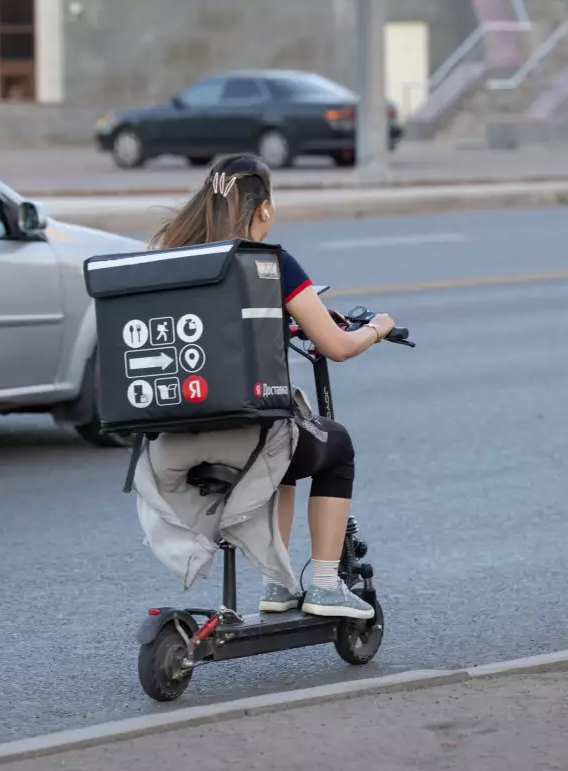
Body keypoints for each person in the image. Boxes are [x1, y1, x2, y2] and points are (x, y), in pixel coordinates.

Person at [146, 154, 396, 620]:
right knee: (333, 444)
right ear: (262, 209)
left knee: (284, 447)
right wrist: (377, 329)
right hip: (245, 438)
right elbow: (337, 347)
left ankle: (277, 584)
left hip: (172, 441)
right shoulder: (271, 263)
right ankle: (323, 585)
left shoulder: (168, 259)